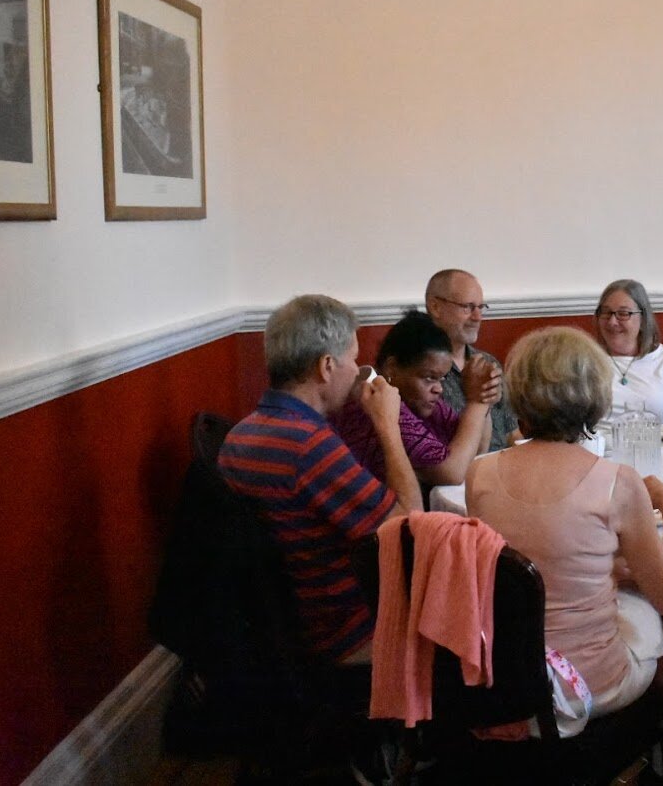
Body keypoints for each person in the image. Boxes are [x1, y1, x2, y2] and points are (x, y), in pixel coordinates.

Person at [466, 327, 663, 717]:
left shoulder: (479, 475)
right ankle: (639, 750)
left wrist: (611, 569)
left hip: (507, 685)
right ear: (596, 395)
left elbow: (525, 563)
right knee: (658, 624)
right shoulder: (618, 482)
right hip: (584, 690)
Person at [217, 295, 422, 664]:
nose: (358, 368)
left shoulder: (240, 434)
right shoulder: (309, 446)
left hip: (277, 626)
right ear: (327, 366)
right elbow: (408, 526)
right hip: (344, 634)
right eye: (354, 358)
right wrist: (388, 426)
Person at [330, 309, 499, 489]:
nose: (439, 388)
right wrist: (476, 401)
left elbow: (473, 453)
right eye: (429, 377)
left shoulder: (419, 400)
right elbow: (452, 472)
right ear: (391, 368)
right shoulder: (376, 402)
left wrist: (484, 396)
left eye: (442, 378)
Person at [425, 268, 520, 451]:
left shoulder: (488, 362)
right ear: (435, 306)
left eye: (480, 307)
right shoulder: (421, 373)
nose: (477, 317)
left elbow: (512, 434)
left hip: (503, 469)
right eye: (467, 307)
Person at [593, 278, 663, 424]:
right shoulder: (585, 360)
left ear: (643, 319)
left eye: (623, 313)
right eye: (606, 312)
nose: (612, 322)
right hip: (596, 447)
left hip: (656, 446)